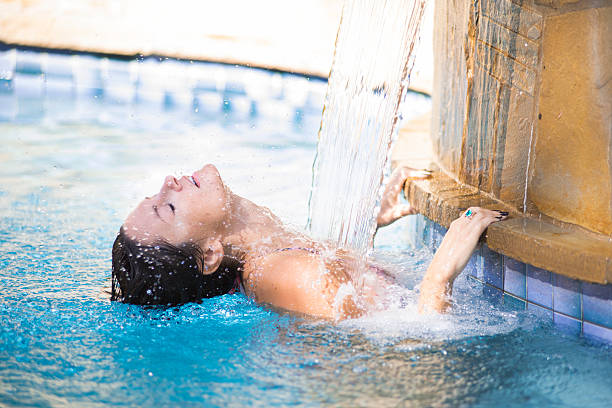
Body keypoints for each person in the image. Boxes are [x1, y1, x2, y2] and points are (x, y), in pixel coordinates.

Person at [111, 163, 508, 319]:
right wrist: (439, 277)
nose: (167, 185)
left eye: (154, 198)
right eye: (168, 208)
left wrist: (369, 225)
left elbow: (358, 300)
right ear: (210, 252)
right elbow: (401, 359)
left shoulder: (272, 254)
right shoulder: (287, 274)